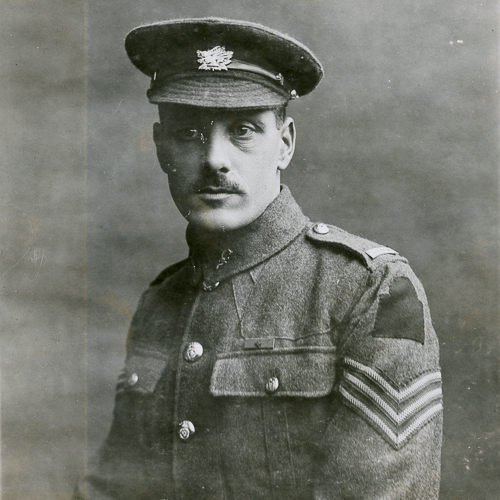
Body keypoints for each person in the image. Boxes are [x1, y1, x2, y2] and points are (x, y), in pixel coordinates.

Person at [75, 17, 443, 500]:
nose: (214, 159)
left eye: (244, 130)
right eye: (188, 132)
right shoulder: (161, 301)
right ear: (161, 147)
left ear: (285, 144)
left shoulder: (369, 287)